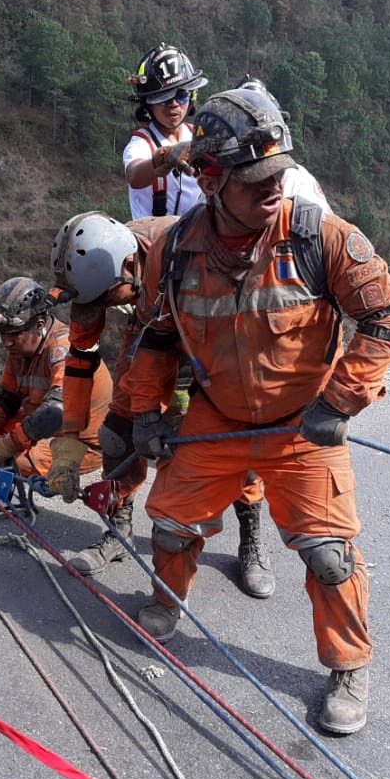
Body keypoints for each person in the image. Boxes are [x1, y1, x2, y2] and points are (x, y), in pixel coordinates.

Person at [120, 85, 390, 735]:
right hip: (217, 417)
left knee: (329, 552)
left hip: (300, 424)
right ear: (211, 176)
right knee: (169, 523)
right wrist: (147, 412)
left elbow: (389, 316)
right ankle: (167, 601)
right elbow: (158, 336)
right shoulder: (175, 253)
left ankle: (348, 666)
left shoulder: (318, 235)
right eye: (255, 179)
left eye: (278, 173)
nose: (273, 187)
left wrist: (341, 400)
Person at [46, 211, 272, 598]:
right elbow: (80, 360)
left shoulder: (193, 253)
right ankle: (118, 529)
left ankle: (250, 536)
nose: (98, 310)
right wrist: (68, 441)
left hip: (216, 341)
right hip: (149, 334)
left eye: (105, 300)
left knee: (231, 447)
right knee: (119, 436)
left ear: (131, 266)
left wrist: (188, 406)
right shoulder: (101, 273)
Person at [0, 277, 110, 480]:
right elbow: (5, 400)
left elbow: (56, 413)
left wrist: (9, 444)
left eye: (13, 335)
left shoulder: (64, 350)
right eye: (2, 334)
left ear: (38, 325)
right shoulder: (21, 351)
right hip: (41, 425)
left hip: (80, 441)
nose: (6, 343)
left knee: (18, 460)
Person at [123, 44, 208, 220]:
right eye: (163, 98)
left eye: (182, 95)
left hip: (197, 234)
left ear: (192, 96)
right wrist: (162, 158)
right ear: (148, 103)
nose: (174, 104)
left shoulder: (202, 136)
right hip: (150, 238)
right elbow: (135, 175)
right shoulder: (141, 143)